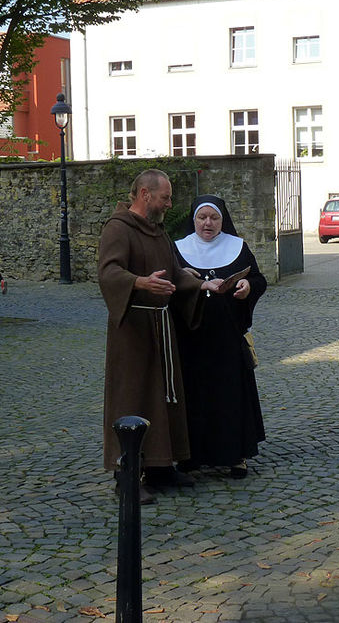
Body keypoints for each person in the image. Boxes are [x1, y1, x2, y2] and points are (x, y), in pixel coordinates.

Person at [97, 169, 222, 504]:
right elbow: (109, 272)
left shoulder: (157, 233)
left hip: (161, 328)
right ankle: (126, 478)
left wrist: (201, 285)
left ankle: (160, 467)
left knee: (165, 398)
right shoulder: (118, 229)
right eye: (165, 197)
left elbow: (174, 272)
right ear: (144, 194)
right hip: (133, 332)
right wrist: (140, 283)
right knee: (133, 398)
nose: (170, 203)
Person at [173, 195, 267, 479]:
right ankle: (191, 457)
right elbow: (171, 285)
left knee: (230, 396)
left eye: (213, 218)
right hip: (191, 337)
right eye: (202, 218)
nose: (208, 223)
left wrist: (247, 286)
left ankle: (235, 456)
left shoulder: (237, 248)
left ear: (222, 220)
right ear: (193, 220)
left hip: (227, 337)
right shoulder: (177, 250)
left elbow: (259, 279)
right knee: (194, 396)